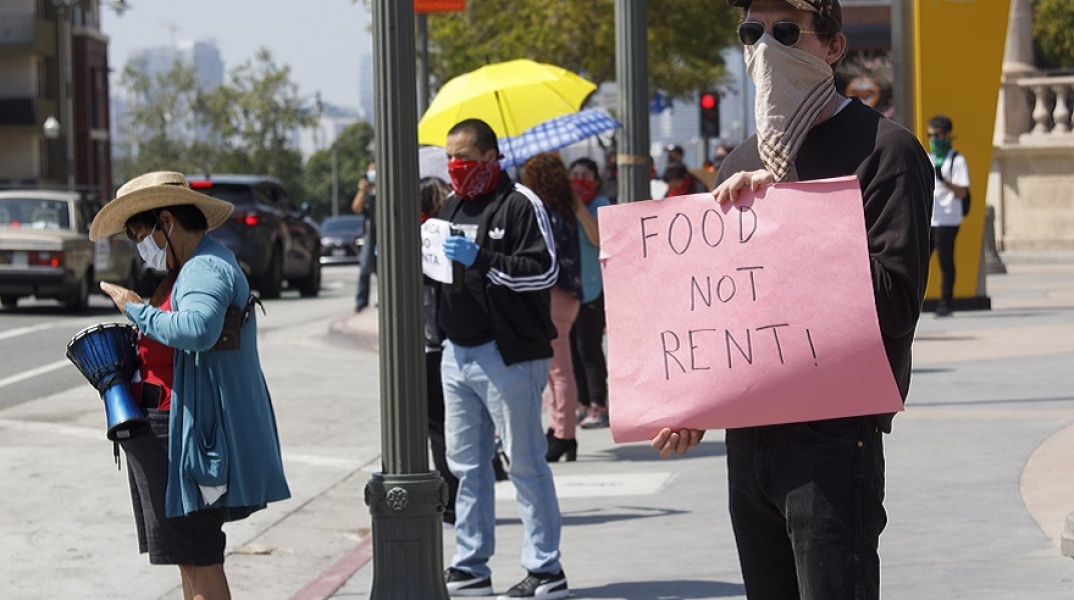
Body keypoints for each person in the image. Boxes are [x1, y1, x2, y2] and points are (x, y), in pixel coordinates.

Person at [653, 1, 934, 599]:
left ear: (834, 47)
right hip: (750, 440)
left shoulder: (887, 150)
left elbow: (894, 304)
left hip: (832, 440)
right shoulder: (740, 162)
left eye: (786, 32)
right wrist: (689, 399)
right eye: (752, 32)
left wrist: (790, 214)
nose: (765, 48)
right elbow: (723, 307)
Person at [89, 171, 291, 600]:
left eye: (140, 233)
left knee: (200, 558)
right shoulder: (191, 266)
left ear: (166, 220)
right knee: (189, 559)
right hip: (169, 427)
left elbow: (198, 328)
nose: (140, 245)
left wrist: (136, 310)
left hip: (185, 435)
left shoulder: (204, 268)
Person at [437, 118, 569, 599]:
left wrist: (483, 261)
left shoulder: (520, 204)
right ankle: (470, 563)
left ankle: (545, 567)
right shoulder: (452, 206)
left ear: (492, 157)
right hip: (458, 354)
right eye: (451, 157)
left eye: (466, 157)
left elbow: (543, 270)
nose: (457, 166)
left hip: (507, 355)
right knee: (467, 466)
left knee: (526, 463)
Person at [520, 153, 584, 462]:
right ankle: (560, 429)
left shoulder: (543, 213)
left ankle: (564, 434)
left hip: (553, 294)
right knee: (557, 369)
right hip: (568, 293)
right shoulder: (565, 208)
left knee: (558, 370)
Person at [567, 157, 610, 429]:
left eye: (584, 174)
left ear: (595, 179)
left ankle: (598, 404)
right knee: (572, 348)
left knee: (589, 348)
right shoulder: (563, 207)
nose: (579, 179)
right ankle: (582, 402)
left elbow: (597, 238)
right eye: (575, 174)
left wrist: (579, 207)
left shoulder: (599, 204)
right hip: (569, 287)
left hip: (593, 287)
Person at [927, 114, 970, 317]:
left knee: (945, 261)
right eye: (930, 135)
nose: (933, 139)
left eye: (937, 135)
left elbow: (962, 191)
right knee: (918, 261)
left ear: (947, 135)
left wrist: (944, 179)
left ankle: (946, 303)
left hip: (948, 219)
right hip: (930, 219)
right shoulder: (928, 158)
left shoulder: (957, 160)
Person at [352, 159, 377, 312]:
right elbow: (356, 208)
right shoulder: (366, 192)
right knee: (364, 268)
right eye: (370, 170)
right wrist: (362, 190)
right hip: (370, 233)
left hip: (385, 232)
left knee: (383, 268)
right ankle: (361, 303)